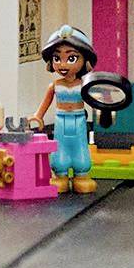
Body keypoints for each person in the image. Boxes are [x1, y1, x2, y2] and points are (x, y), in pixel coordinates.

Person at [34, 23, 98, 195]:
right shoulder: (54, 85)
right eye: (57, 58)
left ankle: (81, 175)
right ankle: (60, 175)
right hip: (61, 121)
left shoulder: (84, 85)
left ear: (85, 59)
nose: (63, 64)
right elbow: (45, 104)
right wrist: (38, 117)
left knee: (80, 148)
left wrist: (103, 110)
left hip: (78, 120)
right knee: (59, 149)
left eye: (71, 58)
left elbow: (94, 101)